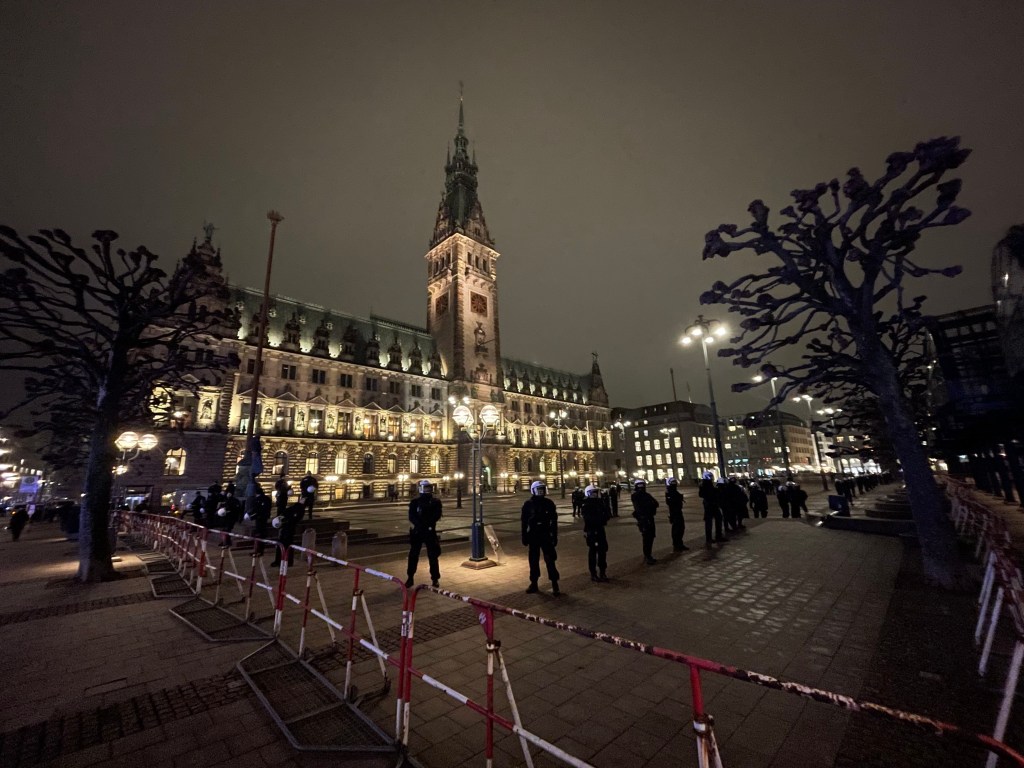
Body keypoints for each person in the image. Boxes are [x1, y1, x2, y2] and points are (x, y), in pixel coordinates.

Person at [521, 481, 560, 595]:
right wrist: (524, 536)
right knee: (533, 560)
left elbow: (554, 521)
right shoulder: (528, 504)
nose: (541, 492)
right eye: (539, 490)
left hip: (546, 535)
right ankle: (534, 583)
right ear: (533, 490)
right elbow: (524, 522)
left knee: (550, 559)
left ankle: (554, 583)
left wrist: (554, 536)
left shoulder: (549, 503)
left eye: (543, 489)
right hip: (533, 536)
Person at [406, 480, 442, 588]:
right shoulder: (415, 502)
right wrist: (420, 524)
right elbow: (411, 516)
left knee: (433, 556)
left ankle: (435, 578)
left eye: (429, 488)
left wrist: (425, 524)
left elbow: (437, 516)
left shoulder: (435, 502)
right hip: (418, 531)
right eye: (425, 488)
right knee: (413, 555)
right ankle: (410, 577)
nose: (427, 490)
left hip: (429, 531)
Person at [581, 485, 610, 581]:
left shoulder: (600, 502)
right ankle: (593, 573)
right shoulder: (586, 504)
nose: (594, 494)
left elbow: (607, 514)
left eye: (595, 492)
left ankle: (603, 571)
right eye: (592, 492)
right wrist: (600, 519)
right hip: (591, 530)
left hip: (600, 529)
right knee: (593, 552)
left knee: (603, 551)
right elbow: (588, 518)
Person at [630, 478, 659, 565]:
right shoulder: (635, 496)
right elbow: (639, 508)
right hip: (643, 519)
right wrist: (649, 506)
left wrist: (649, 506)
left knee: (650, 537)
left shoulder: (646, 495)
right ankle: (647, 556)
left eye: (642, 486)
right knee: (647, 538)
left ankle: (648, 555)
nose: (641, 488)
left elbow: (656, 503)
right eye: (640, 486)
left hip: (649, 518)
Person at [269, 501, 303, 567]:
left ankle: (281, 561)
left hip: (286, 530)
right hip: (287, 530)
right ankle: (286, 561)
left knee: (284, 546)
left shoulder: (291, 511)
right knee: (286, 547)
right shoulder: (297, 511)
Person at [698, 471, 727, 547]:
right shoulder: (704, 484)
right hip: (709, 505)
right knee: (709, 522)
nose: (711, 477)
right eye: (710, 476)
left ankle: (717, 536)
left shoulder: (708, 483)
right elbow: (702, 494)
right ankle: (710, 538)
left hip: (713, 504)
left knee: (718, 519)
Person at [664, 477, 688, 552]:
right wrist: (679, 498)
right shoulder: (669, 492)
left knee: (681, 528)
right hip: (674, 512)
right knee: (677, 529)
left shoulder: (673, 491)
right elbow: (670, 502)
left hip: (678, 511)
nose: (675, 484)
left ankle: (679, 543)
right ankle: (676, 545)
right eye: (673, 483)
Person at [251, 485, 272, 554]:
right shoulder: (267, 498)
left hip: (259, 518)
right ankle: (260, 550)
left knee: (259, 534)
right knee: (262, 533)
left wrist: (252, 517)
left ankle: (258, 550)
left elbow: (255, 510)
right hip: (265, 518)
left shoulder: (257, 499)